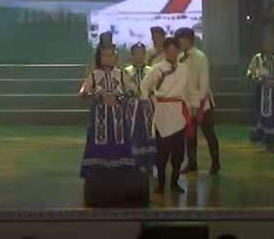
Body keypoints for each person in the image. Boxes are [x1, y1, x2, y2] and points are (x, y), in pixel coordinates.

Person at [78, 45, 136, 177]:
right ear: (99, 58)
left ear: (115, 57)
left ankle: (120, 169)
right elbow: (83, 91)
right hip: (100, 115)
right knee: (99, 140)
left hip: (117, 115)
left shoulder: (120, 74)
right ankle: (98, 169)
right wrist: (96, 95)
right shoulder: (94, 74)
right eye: (104, 56)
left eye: (110, 55)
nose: (108, 58)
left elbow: (133, 90)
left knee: (119, 140)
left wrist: (120, 97)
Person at [143, 37, 190, 194]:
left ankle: (174, 182)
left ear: (178, 51)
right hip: (162, 112)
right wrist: (149, 103)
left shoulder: (184, 69)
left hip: (178, 113)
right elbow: (144, 87)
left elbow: (186, 90)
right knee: (162, 153)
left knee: (178, 153)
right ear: (164, 51)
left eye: (175, 50)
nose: (172, 53)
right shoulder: (156, 69)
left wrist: (192, 107)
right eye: (169, 50)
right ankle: (161, 184)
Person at [176, 27, 220, 175]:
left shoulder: (200, 57)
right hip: (186, 103)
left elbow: (204, 82)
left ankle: (215, 162)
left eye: (181, 39)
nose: (179, 42)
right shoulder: (179, 57)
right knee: (190, 135)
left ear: (189, 40)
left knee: (209, 133)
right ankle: (192, 163)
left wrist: (198, 104)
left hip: (203, 103)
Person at [124, 43, 157, 173]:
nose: (139, 56)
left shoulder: (151, 70)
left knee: (148, 133)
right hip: (131, 108)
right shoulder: (126, 71)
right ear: (132, 55)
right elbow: (123, 89)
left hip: (148, 106)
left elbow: (155, 87)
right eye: (136, 53)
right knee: (133, 133)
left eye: (141, 53)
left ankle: (149, 162)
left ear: (144, 54)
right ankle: (133, 162)